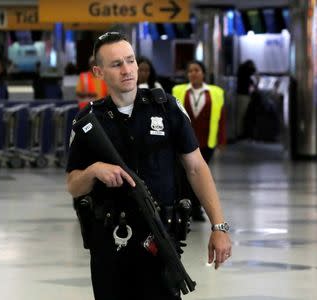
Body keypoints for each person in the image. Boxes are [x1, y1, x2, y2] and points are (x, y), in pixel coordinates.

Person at [66, 32, 231, 300]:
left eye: (130, 60)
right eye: (116, 64)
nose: (127, 69)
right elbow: (73, 185)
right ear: (98, 71)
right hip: (110, 245)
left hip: (160, 239)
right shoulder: (88, 121)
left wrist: (219, 227)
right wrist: (94, 171)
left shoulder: (166, 109)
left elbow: (197, 168)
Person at [172, 60, 226, 222]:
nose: (193, 74)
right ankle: (186, 208)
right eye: (190, 71)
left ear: (203, 73)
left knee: (201, 175)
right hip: (185, 141)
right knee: (184, 175)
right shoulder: (178, 90)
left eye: (197, 70)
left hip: (206, 140)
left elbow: (221, 118)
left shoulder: (216, 92)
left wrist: (221, 139)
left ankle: (197, 208)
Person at [236, 59, 257, 139]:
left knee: (240, 115)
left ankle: (240, 132)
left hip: (241, 94)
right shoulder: (246, 72)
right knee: (241, 115)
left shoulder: (242, 72)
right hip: (244, 95)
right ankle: (240, 133)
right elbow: (253, 72)